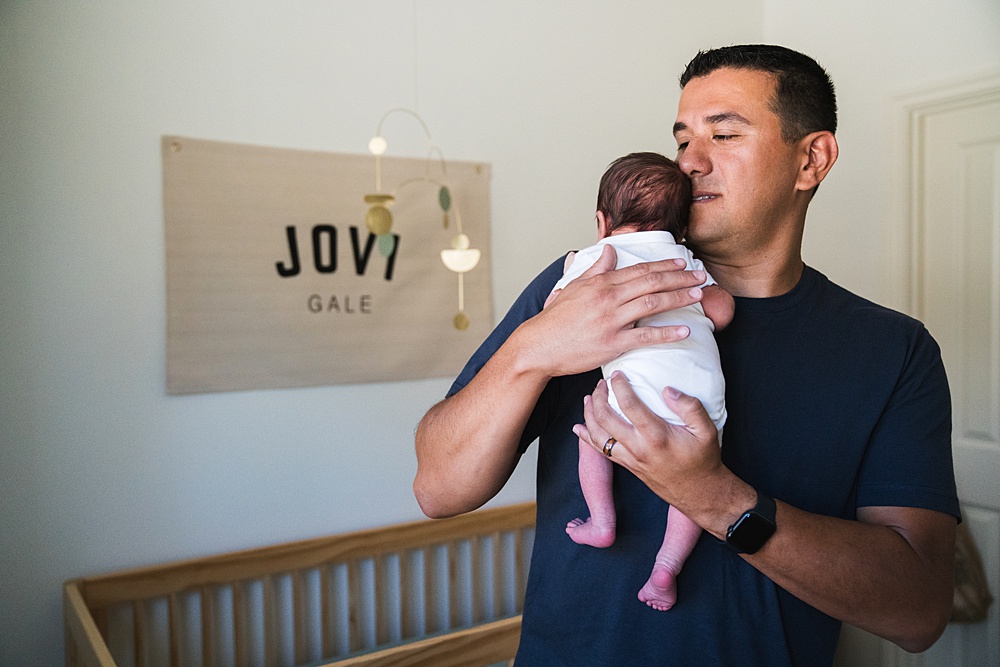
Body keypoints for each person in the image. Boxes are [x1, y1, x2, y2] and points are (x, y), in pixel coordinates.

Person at [414, 44, 959, 666]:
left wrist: (715, 498)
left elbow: (918, 612)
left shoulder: (892, 350)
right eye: (682, 140)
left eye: (723, 134)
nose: (691, 162)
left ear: (812, 158)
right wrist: (533, 349)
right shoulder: (586, 288)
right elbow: (438, 489)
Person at [551, 152, 733, 612]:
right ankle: (666, 568)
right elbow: (722, 310)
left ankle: (601, 520)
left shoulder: (593, 259)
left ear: (601, 221)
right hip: (700, 396)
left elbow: (557, 318)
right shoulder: (681, 257)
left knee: (593, 438)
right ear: (682, 227)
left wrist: (573, 270)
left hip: (635, 393)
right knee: (694, 480)